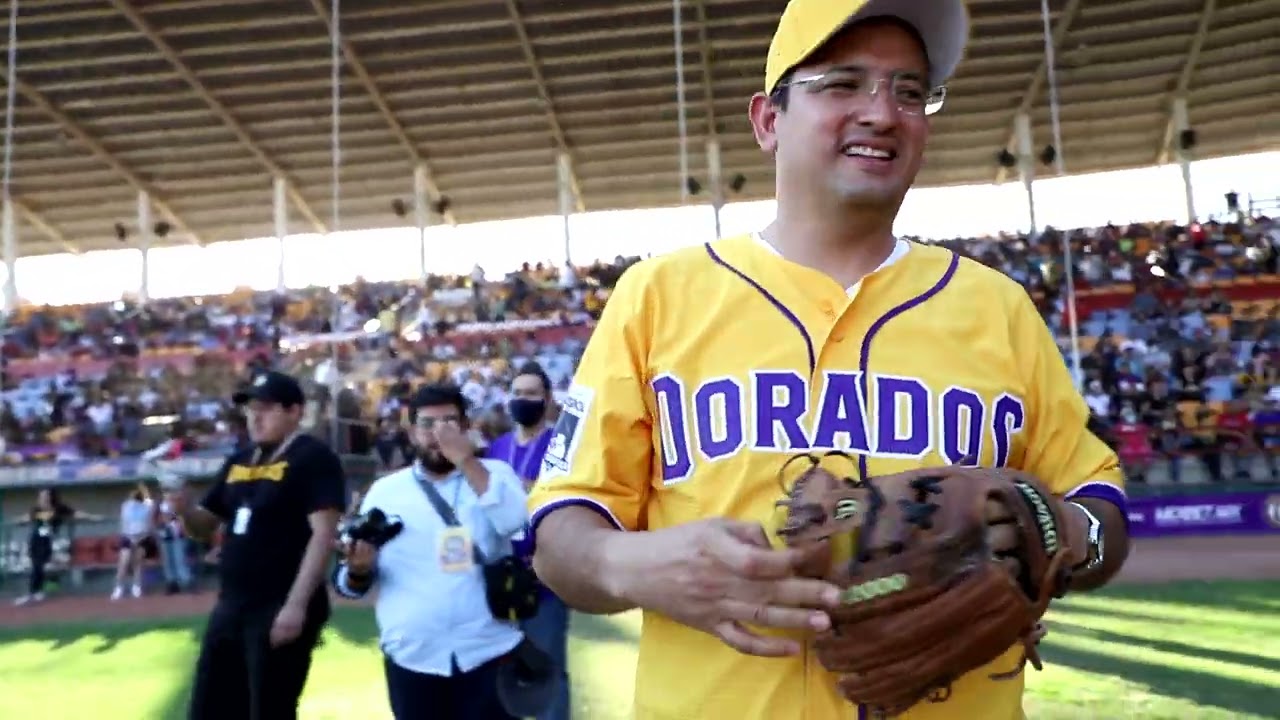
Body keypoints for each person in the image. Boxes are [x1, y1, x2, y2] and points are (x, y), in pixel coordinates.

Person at [525, 1, 1132, 719]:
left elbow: (1102, 509)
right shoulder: (658, 294)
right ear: (767, 119)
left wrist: (1061, 531)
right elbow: (563, 528)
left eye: (910, 91)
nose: (882, 112)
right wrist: (628, 564)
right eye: (843, 83)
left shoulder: (998, 307)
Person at [333, 383, 529, 720]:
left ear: (466, 428)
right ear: (411, 433)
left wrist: (466, 460)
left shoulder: (494, 475)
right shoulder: (386, 492)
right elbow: (350, 581)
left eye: (449, 423)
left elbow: (516, 522)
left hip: (488, 650)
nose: (438, 433)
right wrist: (358, 570)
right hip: (413, 656)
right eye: (427, 424)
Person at [171, 370, 346, 720]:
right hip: (232, 604)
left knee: (268, 710)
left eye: (266, 408)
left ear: (295, 411)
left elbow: (323, 534)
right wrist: (184, 509)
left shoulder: (311, 458)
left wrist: (295, 606)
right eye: (251, 409)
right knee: (209, 707)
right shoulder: (239, 460)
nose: (255, 417)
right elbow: (204, 529)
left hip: (279, 604)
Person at [486, 362, 571, 720]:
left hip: (543, 579)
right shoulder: (496, 447)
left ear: (548, 399)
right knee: (503, 671)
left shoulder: (561, 444)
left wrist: (526, 491)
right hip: (501, 578)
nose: (523, 400)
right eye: (517, 393)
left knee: (547, 668)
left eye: (531, 394)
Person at [11, 488, 101, 606]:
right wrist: (16, 520)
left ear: (51, 497)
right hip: (35, 540)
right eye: (41, 496)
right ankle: (34, 592)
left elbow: (76, 514)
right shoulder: (36, 509)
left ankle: (36, 591)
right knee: (36, 566)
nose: (43, 499)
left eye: (45, 496)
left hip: (47, 540)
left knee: (41, 566)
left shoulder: (59, 508)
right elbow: (27, 518)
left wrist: (93, 517)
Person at [111, 483, 156, 600]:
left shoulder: (147, 506)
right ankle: (118, 587)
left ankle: (136, 587)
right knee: (123, 563)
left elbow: (148, 500)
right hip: (127, 537)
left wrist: (143, 488)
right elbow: (124, 523)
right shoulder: (126, 506)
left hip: (142, 537)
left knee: (138, 562)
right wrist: (131, 539)